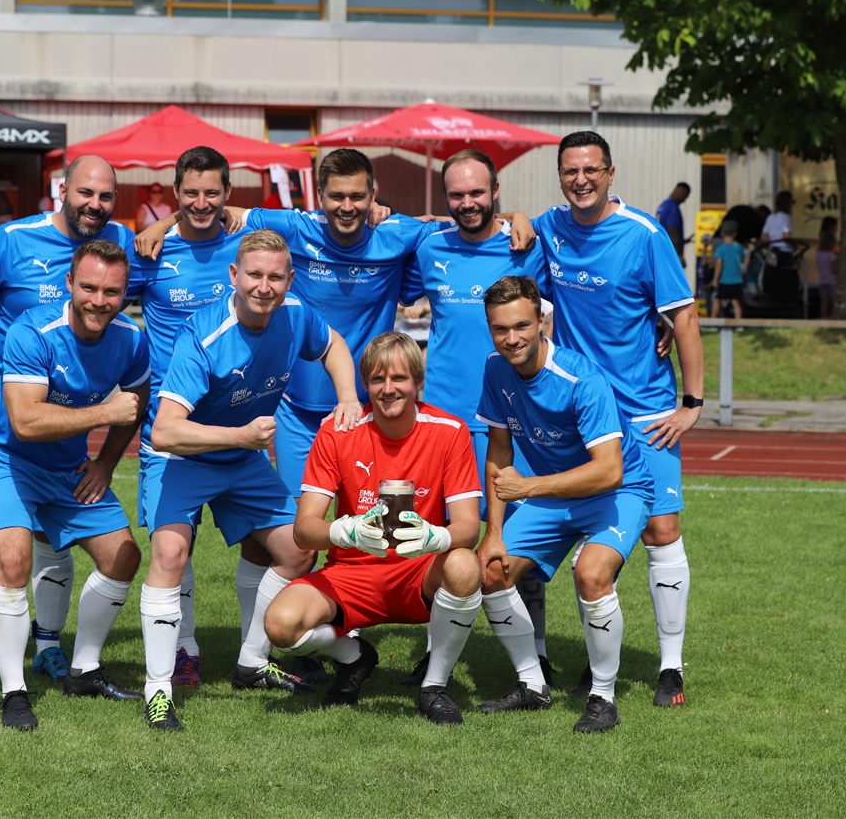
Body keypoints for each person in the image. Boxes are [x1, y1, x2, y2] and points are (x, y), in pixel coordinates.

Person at [137, 148, 533, 684]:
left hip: (375, 409)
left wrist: (515, 218)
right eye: (336, 197)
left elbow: (459, 220)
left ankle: (465, 654)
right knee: (298, 538)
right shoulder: (291, 229)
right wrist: (163, 220)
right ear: (317, 199)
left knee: (418, 527)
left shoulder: (399, 235)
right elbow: (215, 210)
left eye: (358, 197)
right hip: (298, 417)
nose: (347, 207)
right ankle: (292, 647)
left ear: (375, 199)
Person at [0, 155, 132, 694]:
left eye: (105, 197)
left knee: (54, 529)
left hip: (66, 404)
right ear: (63, 189)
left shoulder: (120, 240)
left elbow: (175, 249)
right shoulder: (13, 239)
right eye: (85, 193)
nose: (94, 205)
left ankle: (49, 646)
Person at [140, 228, 362, 731]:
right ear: (234, 277)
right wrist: (241, 436)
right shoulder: (203, 335)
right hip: (184, 457)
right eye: (255, 275)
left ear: (289, 280)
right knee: (171, 554)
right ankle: (157, 691)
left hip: (239, 456)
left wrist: (347, 394)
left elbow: (334, 346)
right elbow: (167, 431)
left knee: (299, 547)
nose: (265, 287)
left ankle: (250, 661)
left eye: (276, 277)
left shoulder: (296, 316)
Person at [529, 130, 703, 707]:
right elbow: (482, 222)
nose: (580, 180)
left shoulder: (644, 235)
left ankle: (671, 668)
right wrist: (511, 215)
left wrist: (691, 405)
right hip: (582, 413)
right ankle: (598, 663)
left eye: (591, 170)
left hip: (647, 413)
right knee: (596, 540)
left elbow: (682, 317)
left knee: (661, 531)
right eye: (570, 171)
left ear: (610, 172)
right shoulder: (549, 228)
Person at [0, 238, 150, 730]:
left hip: (69, 469)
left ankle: (84, 670)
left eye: (112, 292)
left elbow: (137, 397)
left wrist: (106, 463)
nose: (99, 301)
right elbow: (26, 421)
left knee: (124, 557)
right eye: (89, 287)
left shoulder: (132, 339)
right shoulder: (34, 330)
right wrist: (105, 412)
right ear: (69, 283)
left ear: (125, 293)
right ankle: (13, 693)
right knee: (12, 557)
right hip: (8, 460)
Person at [264, 331, 484, 724]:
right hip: (353, 574)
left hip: (419, 572)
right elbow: (303, 529)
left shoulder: (450, 431)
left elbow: (470, 527)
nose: (388, 389)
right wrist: (344, 531)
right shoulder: (338, 430)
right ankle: (355, 658)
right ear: (364, 384)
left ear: (418, 382)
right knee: (280, 626)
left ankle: (434, 685)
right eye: (377, 379)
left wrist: (439, 537)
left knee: (465, 565)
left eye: (399, 378)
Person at [395, 149, 554, 688]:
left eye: (477, 193)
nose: (468, 203)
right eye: (457, 195)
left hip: (511, 422)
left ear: (496, 192)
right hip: (442, 423)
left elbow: (571, 307)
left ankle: (537, 653)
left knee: (515, 541)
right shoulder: (429, 244)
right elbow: (386, 244)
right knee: (437, 540)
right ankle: (436, 652)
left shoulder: (524, 245)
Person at [475, 276, 654, 733]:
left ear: (542, 322)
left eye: (521, 326)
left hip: (618, 490)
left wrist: (530, 489)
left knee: (591, 574)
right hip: (556, 495)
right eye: (500, 329)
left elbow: (609, 470)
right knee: (488, 569)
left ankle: (603, 698)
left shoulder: (582, 379)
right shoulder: (496, 369)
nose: (511, 338)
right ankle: (532, 685)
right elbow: (499, 453)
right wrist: (493, 534)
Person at [126, 146, 255, 688]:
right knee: (172, 546)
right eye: (190, 193)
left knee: (271, 543)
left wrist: (379, 212)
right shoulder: (150, 251)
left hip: (237, 434)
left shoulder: (247, 246)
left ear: (228, 194)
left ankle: (257, 655)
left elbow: (322, 223)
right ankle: (184, 650)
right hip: (170, 432)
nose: (201, 202)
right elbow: (94, 294)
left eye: (212, 192)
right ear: (174, 192)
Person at [710, 220, 745, 321]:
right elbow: (743, 259)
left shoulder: (721, 249)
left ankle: (713, 323)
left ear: (722, 233)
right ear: (735, 233)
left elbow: (719, 265)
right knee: (735, 301)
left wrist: (715, 279)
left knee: (717, 299)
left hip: (724, 280)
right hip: (737, 279)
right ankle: (739, 324)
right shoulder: (739, 247)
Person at [656, 182, 691, 263]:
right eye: (685, 197)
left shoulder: (663, 205)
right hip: (669, 254)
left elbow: (665, 230)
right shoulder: (673, 208)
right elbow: (673, 232)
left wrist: (683, 241)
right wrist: (679, 255)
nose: (684, 200)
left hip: (661, 250)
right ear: (683, 193)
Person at [761, 191, 796, 256]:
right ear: (787, 203)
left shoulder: (770, 217)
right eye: (792, 202)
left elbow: (764, 236)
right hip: (785, 252)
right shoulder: (786, 218)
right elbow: (786, 237)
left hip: (773, 252)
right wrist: (795, 245)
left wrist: (773, 241)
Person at [815, 230, 839, 318]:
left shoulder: (818, 254)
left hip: (822, 281)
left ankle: (824, 317)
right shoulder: (832, 256)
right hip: (832, 281)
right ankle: (834, 317)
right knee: (833, 301)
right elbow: (835, 270)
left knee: (824, 301)